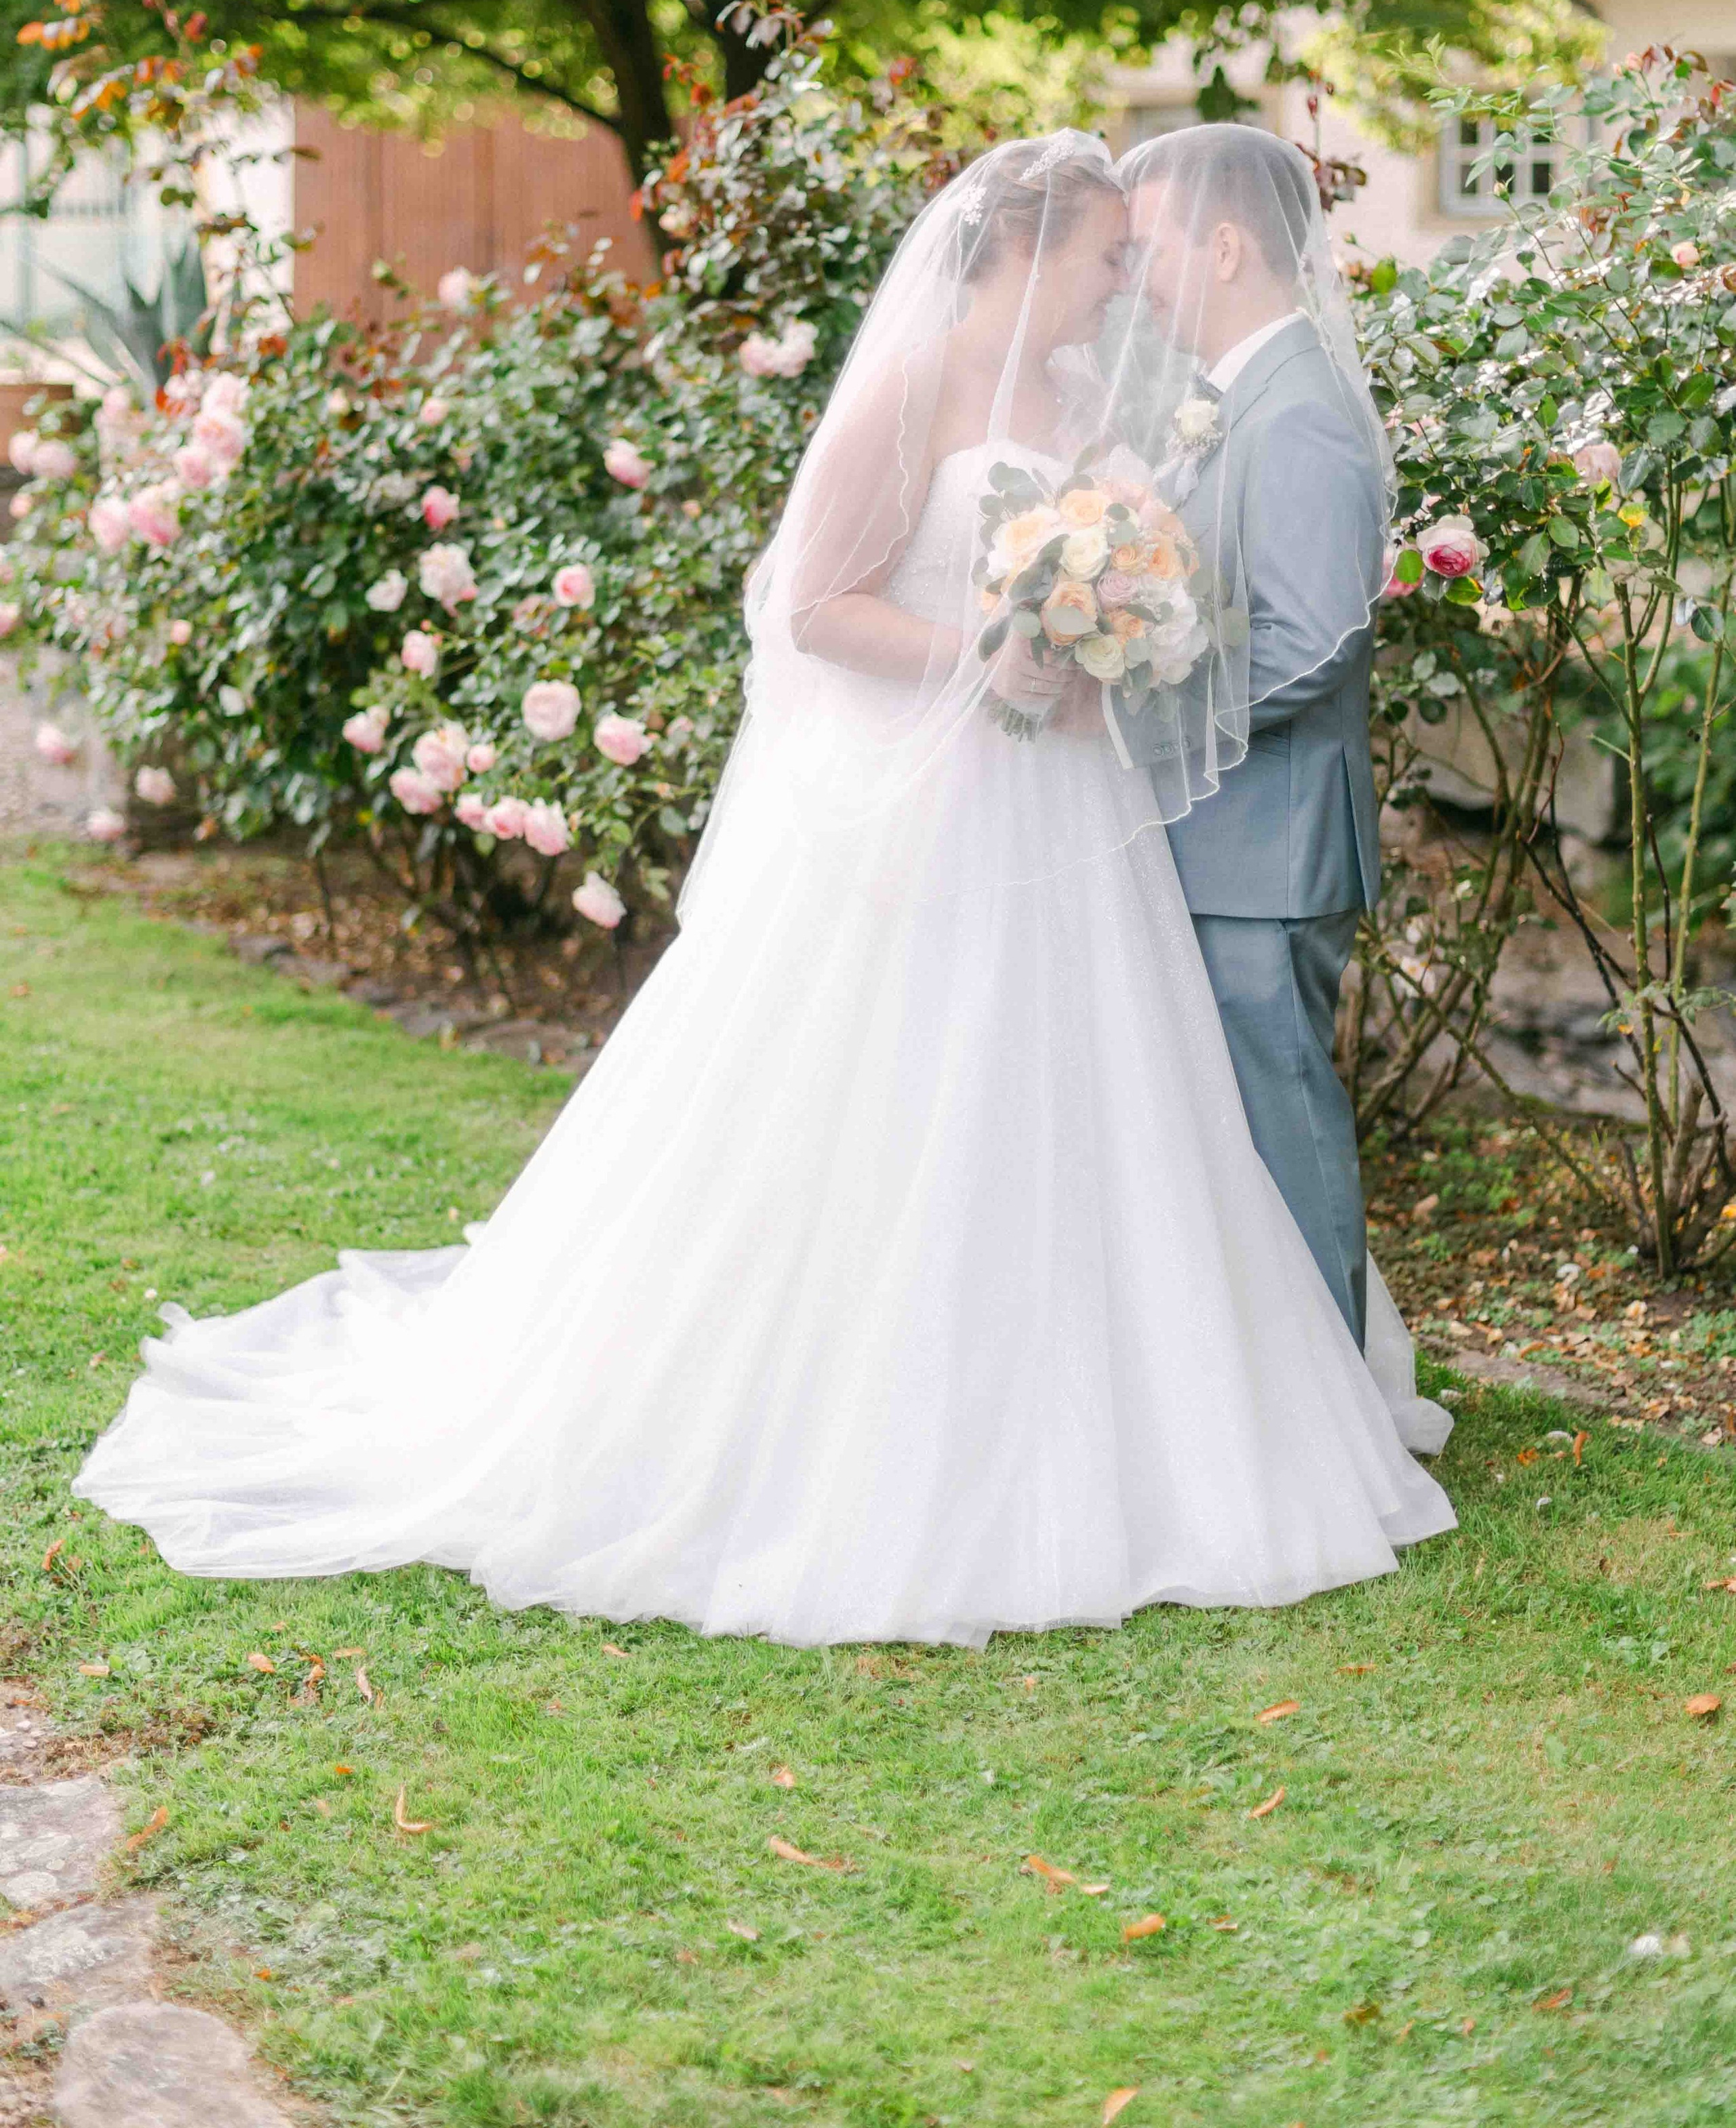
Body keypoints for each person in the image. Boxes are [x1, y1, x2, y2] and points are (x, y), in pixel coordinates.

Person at [75, 135, 1452, 1651]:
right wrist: (986, 659)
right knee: (890, 1084)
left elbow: (1144, 574)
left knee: (1079, 1091)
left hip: (1075, 804)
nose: (1125, 280)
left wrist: (1104, 635)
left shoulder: (1086, 401)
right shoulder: (907, 389)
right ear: (1024, 251)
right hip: (937, 796)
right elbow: (812, 607)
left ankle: (1107, 1396)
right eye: (1105, 254)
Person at [1116, 125, 1385, 1349]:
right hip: (1219, 834)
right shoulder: (1233, 401)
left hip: (1267, 842)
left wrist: (1136, 718)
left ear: (1224, 247)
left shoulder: (1301, 412)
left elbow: (1315, 640)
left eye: (1151, 248)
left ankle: (1333, 1388)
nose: (1137, 279)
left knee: (1283, 1117)